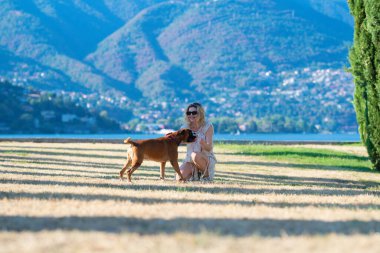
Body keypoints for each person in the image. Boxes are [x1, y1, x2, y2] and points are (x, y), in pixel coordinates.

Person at [177, 102, 217, 181]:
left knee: (194, 155)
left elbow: (209, 148)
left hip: (205, 159)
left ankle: (206, 176)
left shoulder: (208, 126)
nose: (191, 115)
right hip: (190, 160)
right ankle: (196, 175)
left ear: (200, 113)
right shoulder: (185, 128)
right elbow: (178, 142)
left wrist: (203, 143)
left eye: (194, 112)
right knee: (179, 178)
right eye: (189, 113)